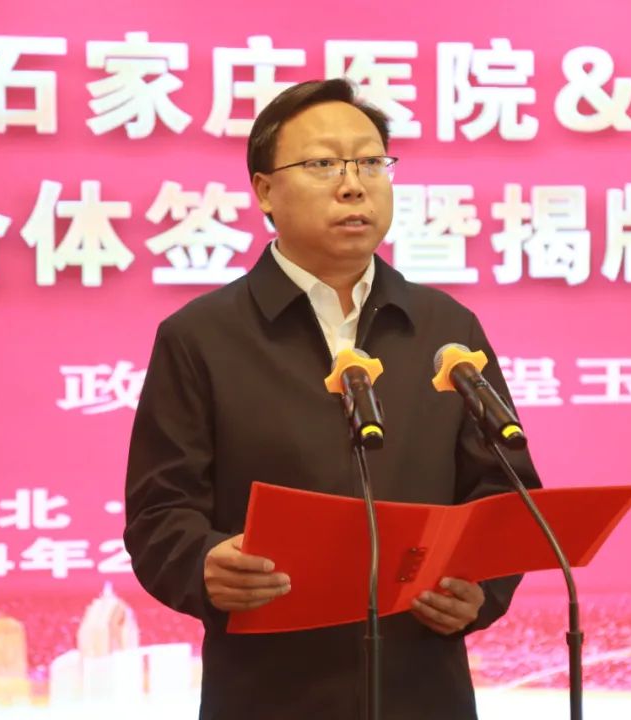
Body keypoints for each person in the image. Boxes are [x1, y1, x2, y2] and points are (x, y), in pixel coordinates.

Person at [124, 78, 540, 720]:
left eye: (371, 163)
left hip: (422, 688)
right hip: (268, 691)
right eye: (323, 164)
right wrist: (202, 563)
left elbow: (504, 492)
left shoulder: (444, 328)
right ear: (264, 190)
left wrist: (481, 590)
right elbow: (159, 512)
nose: (353, 185)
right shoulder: (201, 336)